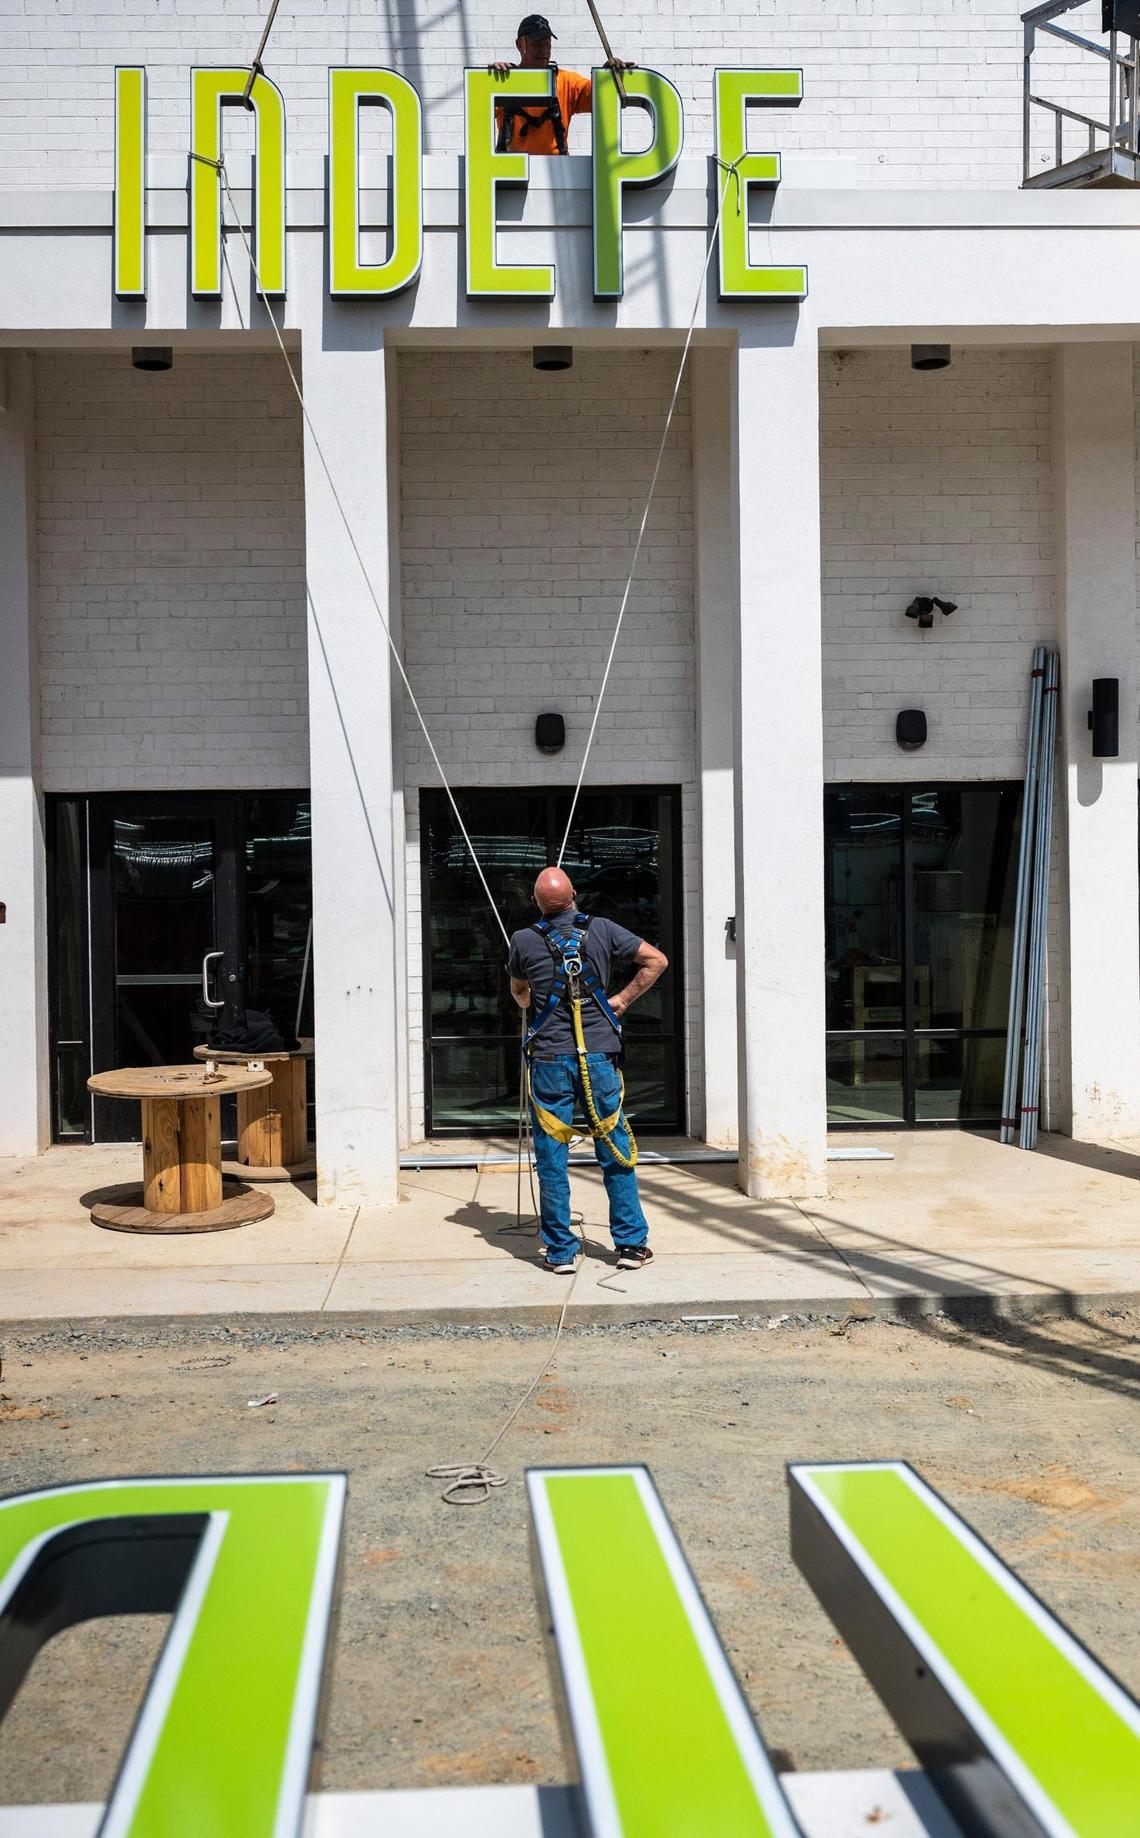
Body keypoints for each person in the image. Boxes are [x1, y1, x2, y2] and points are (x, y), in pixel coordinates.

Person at [508, 866, 668, 1273]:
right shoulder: (604, 929)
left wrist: (529, 994)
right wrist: (623, 1000)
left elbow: (521, 995)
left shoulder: (524, 940)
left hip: (549, 1059)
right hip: (598, 1057)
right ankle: (631, 1245)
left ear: (536, 903)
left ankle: (561, 1250)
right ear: (575, 894)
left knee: (551, 1155)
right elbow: (656, 961)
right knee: (615, 1148)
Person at [489, 13, 635, 156]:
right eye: (537, 44)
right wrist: (488, 80)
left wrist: (610, 75)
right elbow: (480, 110)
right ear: (520, 45)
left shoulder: (566, 82)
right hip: (514, 173)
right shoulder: (504, 82)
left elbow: (599, 97)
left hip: (558, 173)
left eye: (548, 45)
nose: (544, 51)